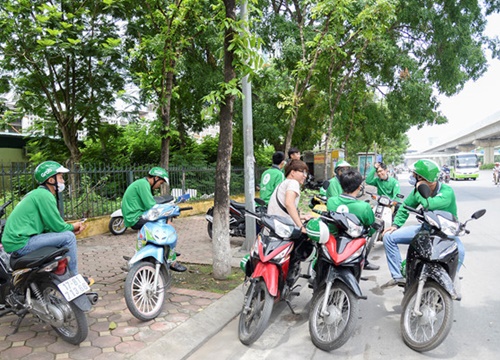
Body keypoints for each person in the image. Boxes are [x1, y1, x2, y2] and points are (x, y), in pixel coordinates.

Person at [1, 161, 92, 284]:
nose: (63, 181)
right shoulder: (44, 195)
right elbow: (57, 226)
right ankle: (74, 279)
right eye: (60, 177)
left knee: (64, 237)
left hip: (18, 242)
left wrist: (67, 229)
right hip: (21, 244)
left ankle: (55, 275)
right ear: (50, 180)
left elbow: (49, 227)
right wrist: (72, 227)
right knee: (69, 237)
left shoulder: (38, 194)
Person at [381, 159, 463, 288]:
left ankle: (450, 280)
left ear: (424, 178)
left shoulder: (447, 192)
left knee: (461, 251)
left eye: (415, 176)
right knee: (388, 237)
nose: (413, 178)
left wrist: (420, 189)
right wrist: (395, 225)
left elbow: (430, 204)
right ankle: (399, 276)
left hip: (445, 233)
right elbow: (405, 206)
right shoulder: (417, 191)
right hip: (425, 229)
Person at [121, 167, 186, 272]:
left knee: (163, 220)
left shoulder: (142, 183)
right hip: (135, 217)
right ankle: (171, 259)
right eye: (160, 183)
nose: (159, 186)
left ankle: (165, 249)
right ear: (156, 178)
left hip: (135, 215)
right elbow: (151, 205)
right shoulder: (143, 184)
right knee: (167, 224)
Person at [326, 169, 379, 270]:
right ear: (359, 187)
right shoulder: (364, 207)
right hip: (352, 244)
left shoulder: (331, 201)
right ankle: (365, 261)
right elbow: (371, 226)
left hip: (332, 241)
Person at [267, 159, 311, 233]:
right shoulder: (293, 183)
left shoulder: (282, 184)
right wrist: (301, 227)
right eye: (302, 172)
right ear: (293, 172)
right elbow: (289, 204)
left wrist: (302, 217)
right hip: (282, 230)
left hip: (274, 228)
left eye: (306, 173)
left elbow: (282, 211)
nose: (305, 176)